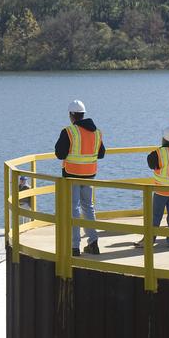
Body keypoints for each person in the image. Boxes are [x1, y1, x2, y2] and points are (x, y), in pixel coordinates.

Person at [53, 99, 105, 256]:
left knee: (73, 209)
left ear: (71, 115)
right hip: (89, 175)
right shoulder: (97, 132)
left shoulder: (69, 131)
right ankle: (93, 244)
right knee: (88, 207)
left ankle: (74, 247)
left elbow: (60, 153)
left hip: (71, 175)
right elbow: (101, 154)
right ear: (83, 114)